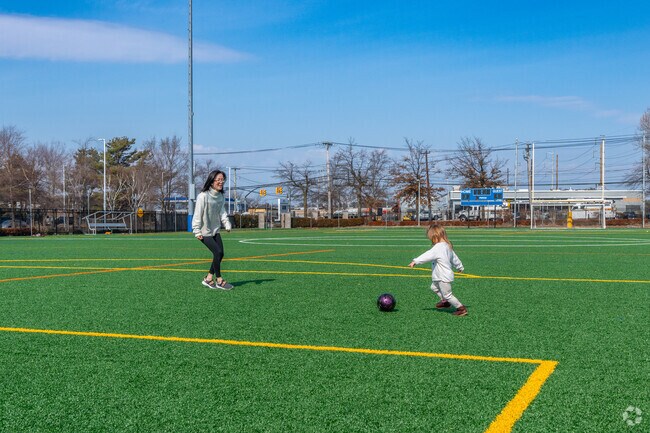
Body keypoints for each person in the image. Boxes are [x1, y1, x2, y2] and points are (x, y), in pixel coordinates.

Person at [409, 224, 467, 316]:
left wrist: (415, 261)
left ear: (435, 236)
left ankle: (461, 308)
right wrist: (459, 266)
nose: (431, 241)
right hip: (441, 275)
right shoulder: (447, 246)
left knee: (448, 295)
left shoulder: (438, 247)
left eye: (431, 238)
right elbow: (454, 258)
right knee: (434, 287)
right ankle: (445, 302)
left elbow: (427, 255)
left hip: (442, 276)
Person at [192, 169, 233, 290]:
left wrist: (226, 223)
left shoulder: (220, 196)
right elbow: (197, 214)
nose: (221, 182)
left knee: (220, 254)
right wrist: (196, 231)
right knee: (217, 252)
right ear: (211, 182)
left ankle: (208, 279)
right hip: (204, 232)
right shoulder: (203, 196)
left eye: (222, 180)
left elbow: (222, 211)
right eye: (218, 180)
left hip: (215, 230)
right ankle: (219, 280)